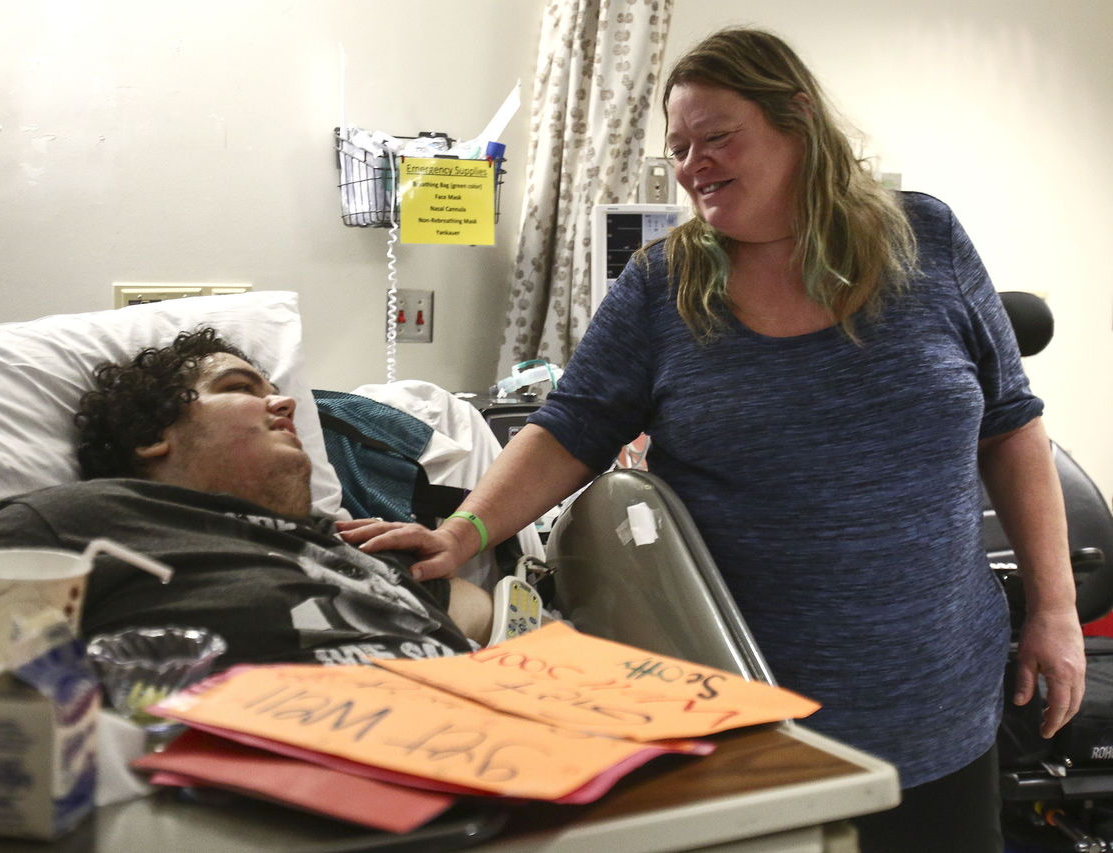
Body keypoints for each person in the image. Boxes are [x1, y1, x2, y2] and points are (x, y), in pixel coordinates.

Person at [340, 27, 1085, 852]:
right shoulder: (663, 286)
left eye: (718, 137)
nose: (694, 164)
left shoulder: (927, 241)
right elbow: (569, 429)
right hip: (746, 709)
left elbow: (1012, 425)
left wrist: (1057, 610)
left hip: (938, 699)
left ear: (796, 119)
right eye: (680, 146)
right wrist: (462, 530)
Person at [0, 327, 492, 683]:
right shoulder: (80, 522)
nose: (286, 403)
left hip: (490, 773)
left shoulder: (345, 545)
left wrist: (436, 568)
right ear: (154, 434)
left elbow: (480, 613)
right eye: (241, 388)